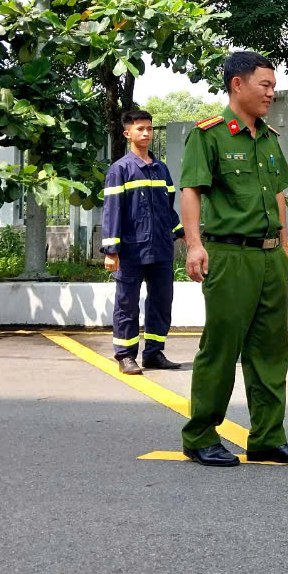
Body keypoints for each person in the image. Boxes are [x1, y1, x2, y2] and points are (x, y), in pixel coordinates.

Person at [177, 51, 288, 468]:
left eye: (273, 86)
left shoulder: (269, 138)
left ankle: (268, 437)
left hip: (269, 256)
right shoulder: (209, 135)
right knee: (221, 347)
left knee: (271, 349)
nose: (271, 93)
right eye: (264, 85)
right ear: (238, 84)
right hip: (229, 254)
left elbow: (278, 196)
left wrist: (285, 245)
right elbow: (191, 192)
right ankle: (200, 435)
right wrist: (195, 245)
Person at [101, 109, 183, 376]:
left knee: (161, 301)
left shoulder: (161, 169)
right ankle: (125, 355)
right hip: (131, 250)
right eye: (140, 129)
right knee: (127, 303)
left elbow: (169, 208)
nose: (146, 133)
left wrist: (183, 233)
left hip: (160, 248)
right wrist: (111, 251)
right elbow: (112, 210)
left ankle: (154, 353)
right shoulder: (120, 170)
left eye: (149, 128)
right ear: (128, 134)